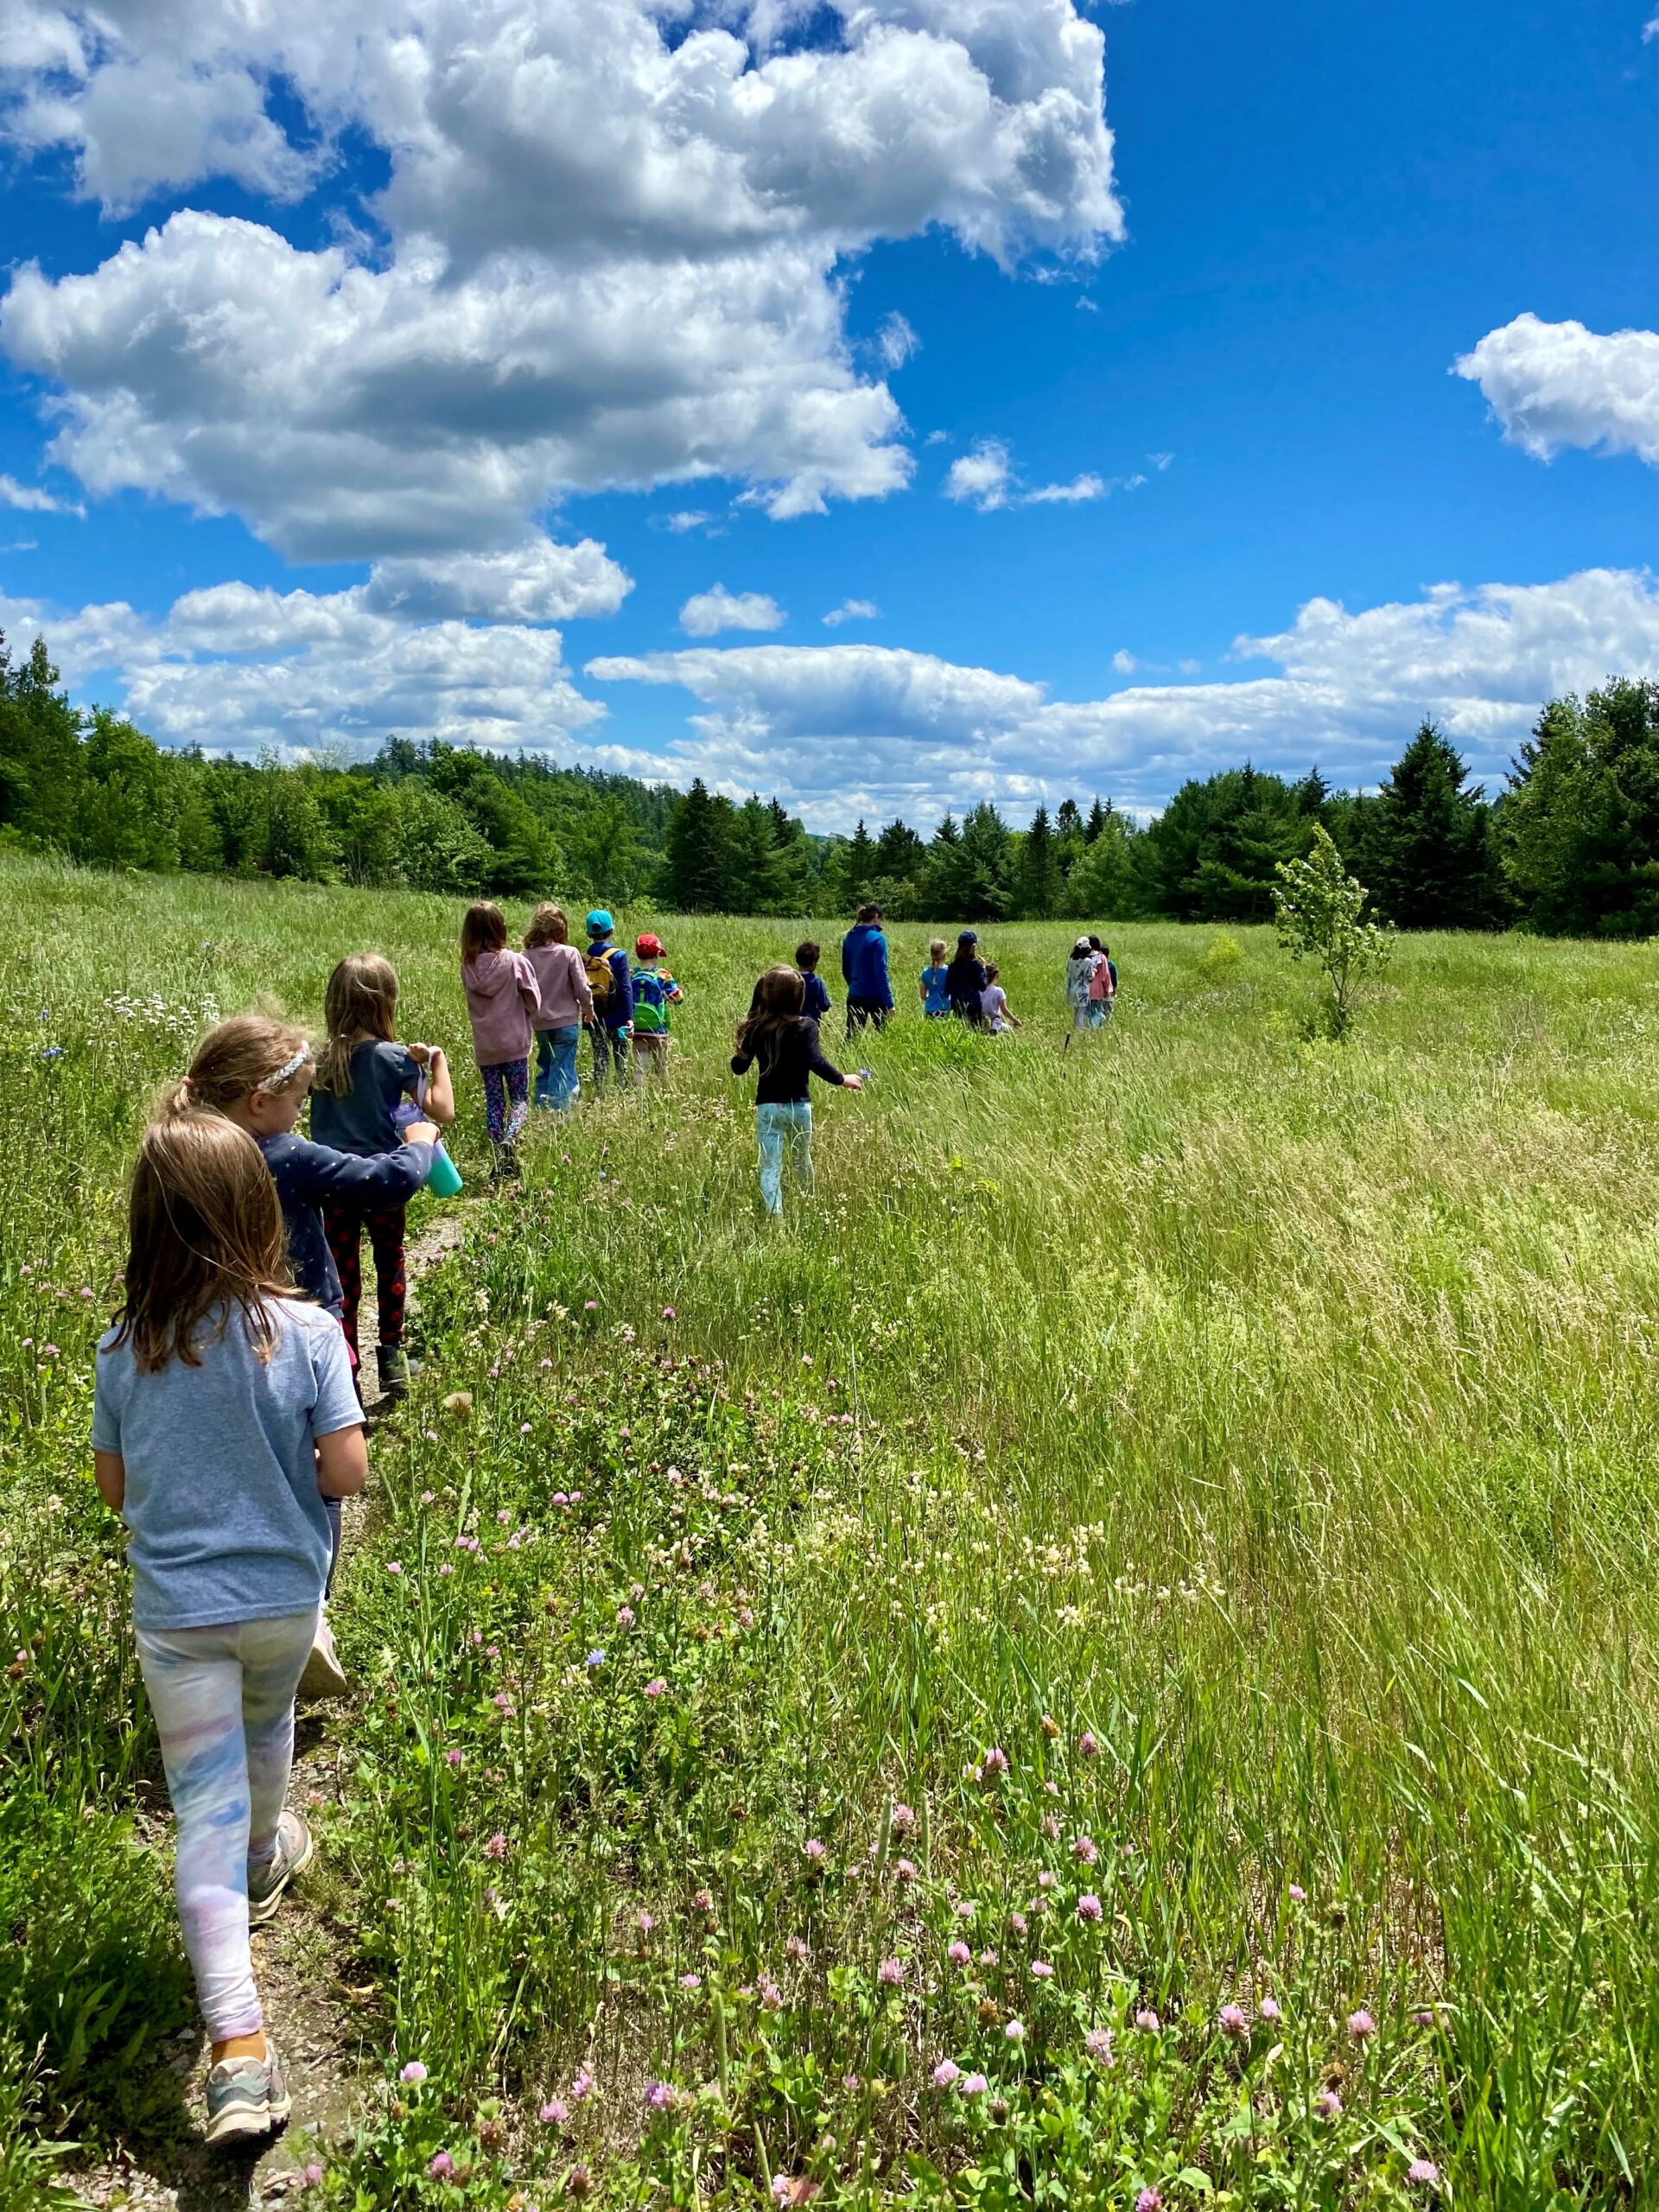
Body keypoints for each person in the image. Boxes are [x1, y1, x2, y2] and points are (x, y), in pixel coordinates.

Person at [92, 1110, 368, 2145]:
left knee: (193, 1820)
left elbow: (116, 1490)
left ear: (147, 1226)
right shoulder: (305, 1333)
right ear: (259, 1214)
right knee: (271, 1724)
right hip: (284, 1604)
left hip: (179, 1620)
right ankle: (267, 1844)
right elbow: (348, 1469)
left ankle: (240, 2051)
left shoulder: (124, 1348)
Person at [181, 1014, 435, 1697]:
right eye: (299, 1101)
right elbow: (382, 1182)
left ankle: (230, 1606)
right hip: (299, 1326)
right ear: (260, 1103)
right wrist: (420, 1142)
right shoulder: (279, 1154)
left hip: (206, 1335)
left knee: (239, 1468)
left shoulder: (180, 1155)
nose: (303, 1114)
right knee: (321, 1472)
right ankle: (306, 1615)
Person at [310, 954, 454, 1400]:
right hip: (385, 1181)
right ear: (385, 1003)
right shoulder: (395, 1060)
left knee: (341, 1280)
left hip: (332, 1184)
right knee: (389, 1261)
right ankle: (392, 1359)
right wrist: (436, 1060)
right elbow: (442, 1110)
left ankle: (345, 1377)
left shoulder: (320, 1062)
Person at [730, 964, 863, 1215]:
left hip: (768, 1108)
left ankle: (775, 1217)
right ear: (798, 997)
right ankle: (809, 1206)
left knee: (770, 1165)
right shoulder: (807, 1026)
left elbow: (738, 1067)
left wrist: (744, 1043)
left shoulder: (758, 1028)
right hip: (800, 1107)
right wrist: (842, 1078)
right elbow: (816, 1061)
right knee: (802, 1160)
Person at [461, 902, 541, 1176]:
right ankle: (512, 1138)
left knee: (494, 1101)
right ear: (500, 928)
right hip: (515, 1044)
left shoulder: (467, 967)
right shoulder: (515, 961)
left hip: (486, 1047)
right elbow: (534, 1000)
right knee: (519, 1099)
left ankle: (498, 1157)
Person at [524, 904, 594, 1111]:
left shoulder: (526, 956)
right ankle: (558, 1113)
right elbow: (582, 987)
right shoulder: (569, 953)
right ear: (561, 929)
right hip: (566, 1022)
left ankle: (539, 1107)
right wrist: (588, 1008)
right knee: (563, 1069)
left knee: (545, 1065)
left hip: (540, 1023)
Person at [582, 910, 634, 1090]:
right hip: (618, 1017)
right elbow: (626, 988)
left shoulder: (585, 958)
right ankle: (622, 1087)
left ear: (588, 934)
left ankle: (600, 1089)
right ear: (611, 931)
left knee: (599, 1054)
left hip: (594, 1017)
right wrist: (629, 1017)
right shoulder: (619, 956)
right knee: (621, 1053)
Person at [629, 933, 683, 1084]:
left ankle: (639, 1095)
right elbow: (678, 999)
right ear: (658, 954)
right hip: (658, 1029)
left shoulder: (632, 974)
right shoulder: (662, 975)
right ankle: (664, 1092)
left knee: (640, 1067)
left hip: (637, 1028)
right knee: (661, 1066)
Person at [840, 904, 893, 1037]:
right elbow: (881, 972)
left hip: (856, 994)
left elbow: (846, 969)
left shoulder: (849, 938)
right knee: (882, 1037)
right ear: (876, 917)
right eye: (881, 919)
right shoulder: (878, 939)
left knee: (852, 1037)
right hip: (876, 995)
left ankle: (845, 1058)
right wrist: (890, 1003)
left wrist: (854, 985)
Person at [946, 931, 989, 1026]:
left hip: (957, 1006)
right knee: (975, 1031)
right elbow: (982, 986)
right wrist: (983, 969)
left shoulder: (953, 966)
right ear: (973, 947)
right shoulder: (974, 965)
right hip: (973, 1006)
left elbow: (948, 989)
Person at [1065, 936, 1098, 1030]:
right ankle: (1079, 1032)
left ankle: (1076, 1030)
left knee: (1076, 1014)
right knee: (1081, 1014)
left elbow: (1069, 976)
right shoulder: (1088, 962)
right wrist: (1094, 971)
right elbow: (1090, 978)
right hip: (1082, 991)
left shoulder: (1071, 961)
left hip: (1072, 990)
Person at [796, 941, 831, 1027]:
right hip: (811, 1023)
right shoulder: (816, 981)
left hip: (792, 1023)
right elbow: (824, 1006)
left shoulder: (791, 978)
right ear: (813, 963)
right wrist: (829, 1002)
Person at [981, 963, 1021, 1033]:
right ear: (996, 976)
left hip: (981, 1020)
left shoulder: (979, 989)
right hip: (994, 1021)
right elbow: (1004, 1010)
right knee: (1011, 1031)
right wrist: (1015, 1020)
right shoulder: (998, 991)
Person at [1088, 934, 1119, 1025]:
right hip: (1098, 991)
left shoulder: (1084, 958)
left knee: (1089, 1012)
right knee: (1098, 1013)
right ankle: (1095, 1029)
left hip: (1085, 991)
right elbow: (1105, 976)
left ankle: (1089, 1029)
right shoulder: (1102, 958)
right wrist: (1107, 990)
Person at [919, 938, 951, 1019]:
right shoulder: (948, 971)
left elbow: (923, 996)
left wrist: (931, 998)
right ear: (945, 954)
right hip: (944, 1009)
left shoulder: (925, 972)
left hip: (929, 1010)